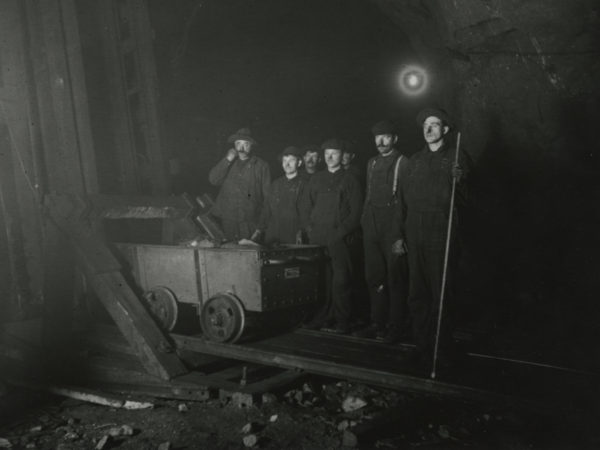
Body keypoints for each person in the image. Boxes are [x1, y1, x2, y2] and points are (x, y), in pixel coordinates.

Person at [402, 108, 470, 367]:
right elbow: (405, 199)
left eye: (434, 125)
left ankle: (441, 347)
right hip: (415, 228)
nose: (428, 130)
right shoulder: (415, 160)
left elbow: (467, 198)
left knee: (441, 291)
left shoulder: (455, 156)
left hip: (441, 229)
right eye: (425, 126)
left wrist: (461, 179)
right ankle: (422, 345)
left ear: (445, 130)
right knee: (417, 292)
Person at [354, 120, 410, 343]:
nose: (381, 141)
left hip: (393, 227)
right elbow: (368, 196)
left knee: (396, 278)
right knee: (374, 277)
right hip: (372, 227)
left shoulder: (403, 163)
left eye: (386, 136)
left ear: (395, 139)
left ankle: (397, 326)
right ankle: (378, 323)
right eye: (377, 137)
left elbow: (405, 202)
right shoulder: (372, 163)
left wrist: (400, 235)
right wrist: (365, 224)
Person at [301, 138, 363, 334]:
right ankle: (322, 318)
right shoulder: (316, 179)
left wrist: (341, 233)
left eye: (334, 153)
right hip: (318, 238)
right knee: (320, 279)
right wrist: (310, 230)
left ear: (342, 156)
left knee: (342, 280)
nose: (330, 157)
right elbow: (305, 207)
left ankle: (343, 321)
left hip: (339, 239)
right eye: (327, 153)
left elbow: (356, 212)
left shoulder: (350, 179)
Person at [208, 127, 271, 241]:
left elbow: (268, 198)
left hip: (250, 222)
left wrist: (260, 227)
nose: (241, 148)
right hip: (228, 220)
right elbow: (213, 179)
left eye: (246, 144)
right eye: (238, 144)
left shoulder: (261, 166)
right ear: (234, 146)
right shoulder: (228, 163)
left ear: (252, 145)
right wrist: (227, 159)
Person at [251, 146, 306, 245]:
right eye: (284, 160)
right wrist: (259, 230)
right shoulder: (275, 184)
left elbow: (306, 213)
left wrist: (301, 231)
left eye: (291, 160)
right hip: (273, 235)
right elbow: (267, 209)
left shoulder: (304, 184)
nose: (287, 164)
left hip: (293, 235)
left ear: (299, 163)